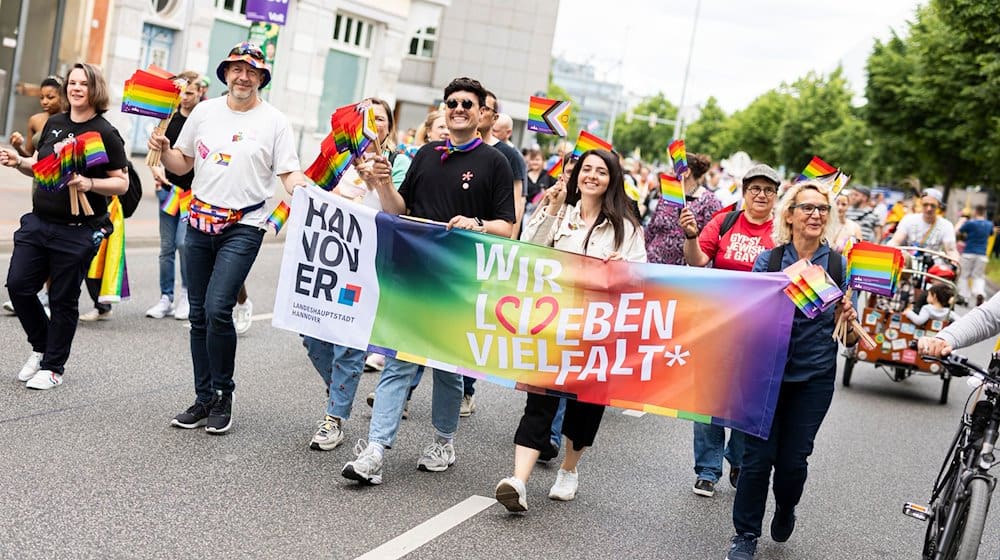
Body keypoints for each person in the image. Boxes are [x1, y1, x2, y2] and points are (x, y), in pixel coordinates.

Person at [341, 76, 515, 485]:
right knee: (399, 362)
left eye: (466, 104)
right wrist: (382, 183)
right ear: (443, 109)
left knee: (447, 370)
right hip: (412, 275)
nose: (458, 108)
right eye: (451, 102)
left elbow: (508, 227)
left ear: (479, 114)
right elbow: (397, 209)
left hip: (457, 282)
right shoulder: (424, 154)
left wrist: (476, 223)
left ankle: (443, 440)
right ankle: (375, 450)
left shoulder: (495, 163)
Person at [149, 41, 311, 433]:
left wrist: (301, 186)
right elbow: (183, 164)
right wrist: (165, 149)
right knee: (199, 313)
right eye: (236, 69)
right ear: (225, 74)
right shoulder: (204, 112)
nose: (243, 76)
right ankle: (203, 398)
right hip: (199, 218)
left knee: (219, 307)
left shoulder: (274, 121)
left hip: (246, 224)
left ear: (260, 78)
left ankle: (224, 394)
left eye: (251, 71)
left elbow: (289, 172)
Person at [494, 149, 646, 513]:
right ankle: (518, 481)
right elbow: (528, 249)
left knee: (584, 410)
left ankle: (569, 469)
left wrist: (622, 268)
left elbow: (641, 278)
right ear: (576, 175)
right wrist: (550, 208)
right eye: (586, 169)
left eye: (601, 171)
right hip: (553, 327)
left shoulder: (626, 227)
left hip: (596, 334)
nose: (591, 176)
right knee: (539, 402)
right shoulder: (561, 214)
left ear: (613, 179)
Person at [726, 180, 857, 560]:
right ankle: (745, 535)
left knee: (792, 462)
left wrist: (847, 317)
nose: (815, 214)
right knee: (755, 461)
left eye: (822, 209)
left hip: (813, 380)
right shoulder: (768, 261)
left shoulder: (836, 264)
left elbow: (848, 339)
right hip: (765, 377)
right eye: (807, 208)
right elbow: (742, 318)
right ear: (790, 215)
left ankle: (785, 507)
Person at [0, 62, 129, 389]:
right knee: (18, 286)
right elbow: (41, 168)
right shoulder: (55, 123)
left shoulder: (105, 132)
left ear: (94, 89)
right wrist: (20, 162)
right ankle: (43, 347)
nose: (75, 88)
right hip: (39, 222)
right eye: (72, 83)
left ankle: (54, 367)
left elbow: (122, 184)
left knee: (62, 299)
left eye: (82, 84)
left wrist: (89, 182)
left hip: (79, 229)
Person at [302, 97, 405, 451]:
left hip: (367, 269)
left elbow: (398, 212)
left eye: (380, 119)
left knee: (349, 345)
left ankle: (334, 418)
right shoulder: (338, 160)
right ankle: (340, 391)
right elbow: (312, 194)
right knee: (312, 337)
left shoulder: (398, 162)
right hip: (326, 264)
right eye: (367, 119)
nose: (373, 124)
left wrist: (378, 182)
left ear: (388, 126)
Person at [679, 163, 781, 498]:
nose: (761, 195)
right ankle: (707, 469)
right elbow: (696, 262)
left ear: (776, 196)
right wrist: (692, 236)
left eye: (768, 189)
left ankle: (737, 458)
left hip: (759, 331)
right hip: (716, 324)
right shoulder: (723, 222)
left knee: (745, 400)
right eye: (755, 188)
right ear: (744, 192)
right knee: (708, 397)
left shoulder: (782, 232)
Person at [460, 90, 524, 415]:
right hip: (456, 248)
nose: (480, 112)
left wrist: (508, 243)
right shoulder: (458, 149)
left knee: (472, 322)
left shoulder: (508, 158)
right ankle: (408, 387)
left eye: (486, 108)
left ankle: (465, 389)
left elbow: (515, 206)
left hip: (488, 247)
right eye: (477, 106)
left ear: (493, 117)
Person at [145, 71, 206, 320]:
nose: (184, 98)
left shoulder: (202, 120)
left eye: (190, 93)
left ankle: (186, 295)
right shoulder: (167, 119)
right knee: (166, 247)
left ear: (200, 92)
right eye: (181, 92)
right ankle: (165, 297)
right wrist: (155, 170)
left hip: (192, 195)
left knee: (184, 244)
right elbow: (155, 154)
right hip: (169, 192)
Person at [3, 75, 65, 316]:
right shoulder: (36, 120)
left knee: (54, 241)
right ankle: (40, 293)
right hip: (39, 183)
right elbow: (30, 154)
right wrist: (18, 146)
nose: (45, 102)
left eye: (51, 97)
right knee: (40, 238)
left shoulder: (69, 122)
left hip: (62, 184)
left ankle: (49, 296)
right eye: (41, 97)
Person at [645, 153, 721, 266]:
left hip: (682, 272)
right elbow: (651, 230)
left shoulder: (710, 201)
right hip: (652, 264)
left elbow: (712, 240)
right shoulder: (668, 194)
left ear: (686, 172)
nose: (669, 172)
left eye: (673, 169)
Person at [888, 188, 960, 264]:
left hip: (932, 266)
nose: (929, 208)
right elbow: (896, 240)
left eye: (932, 205)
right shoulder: (909, 219)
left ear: (939, 205)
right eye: (925, 204)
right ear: (921, 203)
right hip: (909, 263)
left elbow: (951, 250)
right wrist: (889, 249)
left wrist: (955, 262)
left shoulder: (946, 225)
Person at [957, 205, 994, 306]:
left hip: (969, 252)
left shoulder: (970, 223)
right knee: (978, 276)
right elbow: (991, 234)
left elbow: (959, 231)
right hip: (982, 254)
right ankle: (979, 293)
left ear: (976, 212)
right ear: (984, 213)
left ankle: (964, 297)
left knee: (964, 275)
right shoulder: (989, 224)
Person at [524, 148, 554, 217]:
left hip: (543, 212)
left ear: (543, 161)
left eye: (537, 160)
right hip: (526, 212)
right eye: (532, 159)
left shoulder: (549, 175)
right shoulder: (524, 175)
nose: (534, 162)